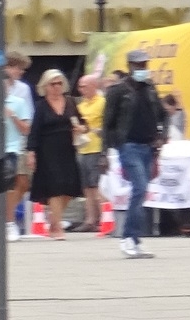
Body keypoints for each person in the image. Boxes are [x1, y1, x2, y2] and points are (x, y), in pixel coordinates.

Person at [101, 50, 169, 258]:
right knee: (139, 188)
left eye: (144, 65)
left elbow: (163, 114)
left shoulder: (150, 89)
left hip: (148, 146)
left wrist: (161, 135)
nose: (142, 69)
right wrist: (105, 151)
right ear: (130, 66)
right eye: (139, 65)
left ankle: (135, 240)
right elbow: (107, 123)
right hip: (128, 145)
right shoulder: (118, 91)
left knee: (141, 192)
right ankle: (128, 237)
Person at [26, 69, 85, 239]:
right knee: (55, 188)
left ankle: (53, 220)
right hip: (47, 150)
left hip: (67, 148)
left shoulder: (71, 102)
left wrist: (81, 128)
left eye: (60, 83)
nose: (57, 87)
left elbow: (83, 123)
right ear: (45, 86)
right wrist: (31, 152)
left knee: (69, 189)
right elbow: (34, 132)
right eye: (53, 84)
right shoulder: (41, 106)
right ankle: (57, 227)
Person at [2, 51, 34, 240]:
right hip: (2, 145)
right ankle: (9, 221)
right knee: (10, 184)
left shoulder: (23, 90)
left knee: (23, 183)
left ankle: (9, 217)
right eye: (18, 68)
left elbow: (28, 116)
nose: (21, 72)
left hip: (19, 143)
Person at [73, 73, 109, 230]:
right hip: (82, 149)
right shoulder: (80, 106)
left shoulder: (103, 103)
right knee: (86, 187)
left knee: (96, 186)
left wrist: (97, 130)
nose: (81, 90)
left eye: (84, 86)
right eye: (80, 87)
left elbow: (108, 125)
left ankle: (105, 219)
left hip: (96, 148)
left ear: (94, 86)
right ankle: (90, 220)